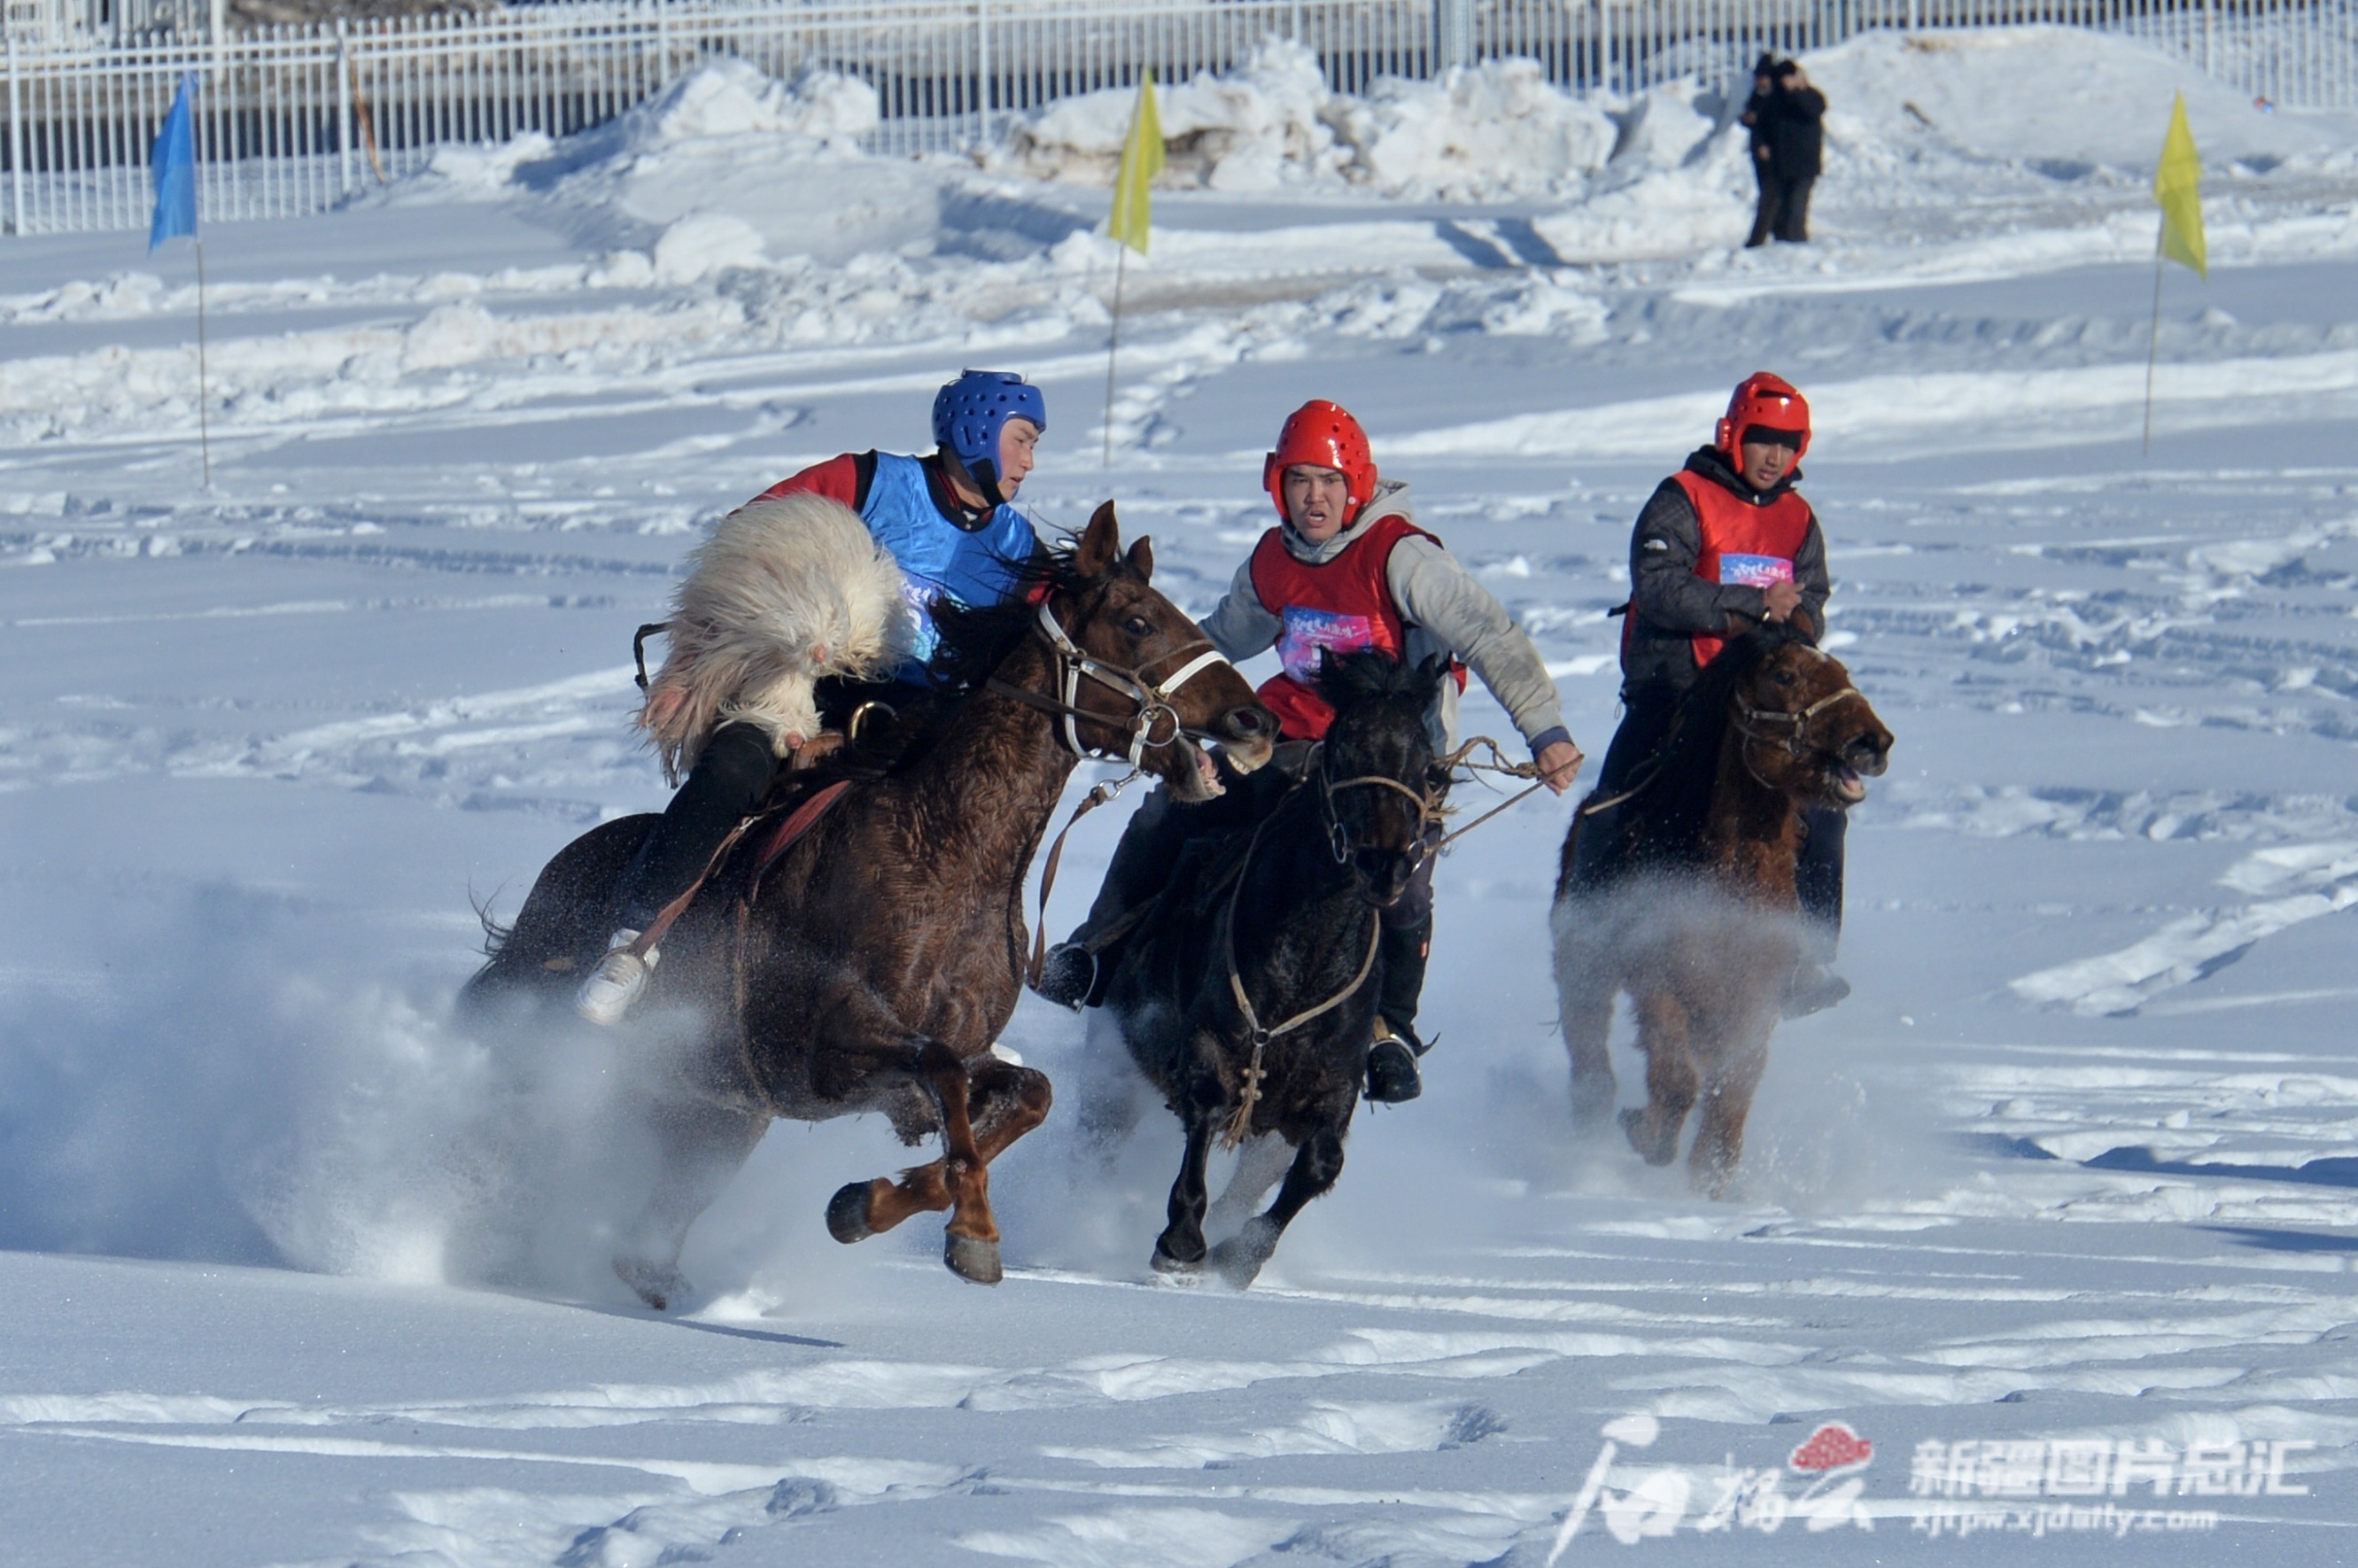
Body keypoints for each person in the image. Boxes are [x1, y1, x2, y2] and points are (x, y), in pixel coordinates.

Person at [1033, 400, 1585, 1101]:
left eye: (1327, 481)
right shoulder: (1275, 557)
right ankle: (1098, 952)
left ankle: (1390, 1031)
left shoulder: (1400, 555)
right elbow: (1222, 639)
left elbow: (1488, 633)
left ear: (1355, 482)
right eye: (1298, 482)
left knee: (1403, 880)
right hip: (1290, 736)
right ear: (1278, 487)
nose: (1313, 497)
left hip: (1386, 759)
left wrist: (1546, 729)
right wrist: (1150, 685)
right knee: (1173, 810)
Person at [575, 370, 1049, 1026]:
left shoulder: (1019, 551)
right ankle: (632, 944)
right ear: (977, 429)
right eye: (1022, 439)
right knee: (734, 769)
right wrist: (690, 662)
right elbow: (745, 550)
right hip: (798, 692)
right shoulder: (868, 481)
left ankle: (961, 1005)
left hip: (914, 729)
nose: (1030, 461)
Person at [1583, 371, 1849, 1015]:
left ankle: (1803, 955)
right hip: (1673, 692)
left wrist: (1796, 619)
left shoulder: (1797, 519)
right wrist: (1755, 607)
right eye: (1763, 441)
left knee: (1826, 802)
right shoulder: (1683, 498)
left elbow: (1813, 606)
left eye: (1789, 445)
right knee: (1613, 803)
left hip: (1758, 710)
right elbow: (1660, 587)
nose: (1775, 457)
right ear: (1734, 435)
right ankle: (1589, 934)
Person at [1755, 60, 1827, 245]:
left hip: (1805, 164)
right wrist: (1761, 143)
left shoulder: (1811, 96)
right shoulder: (1774, 101)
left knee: (1796, 209)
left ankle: (1797, 247)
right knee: (1781, 211)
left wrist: (1797, 91)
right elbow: (1761, 125)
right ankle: (1783, 246)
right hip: (1781, 165)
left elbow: (1813, 110)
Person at [1740, 54, 1782, 251]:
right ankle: (1773, 233)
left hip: (1775, 154)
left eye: (1763, 77)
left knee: (1770, 196)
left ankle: (1757, 240)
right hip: (1759, 154)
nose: (1760, 81)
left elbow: (1774, 126)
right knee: (1768, 194)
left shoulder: (1776, 97)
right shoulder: (1757, 96)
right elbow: (1752, 118)